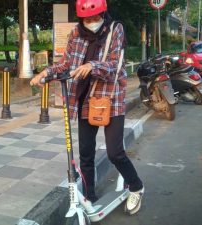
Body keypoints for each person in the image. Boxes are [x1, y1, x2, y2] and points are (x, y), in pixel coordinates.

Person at [30, 0, 144, 215]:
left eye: (95, 18)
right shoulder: (76, 33)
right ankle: (90, 196)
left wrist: (92, 66)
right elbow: (66, 63)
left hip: (111, 97)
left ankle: (136, 186)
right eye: (87, 19)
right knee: (85, 154)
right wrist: (46, 73)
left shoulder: (115, 29)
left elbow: (114, 64)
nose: (91, 22)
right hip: (84, 98)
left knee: (115, 152)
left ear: (103, 13)